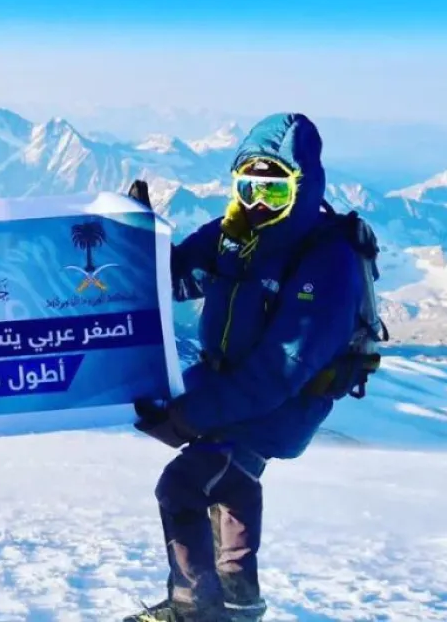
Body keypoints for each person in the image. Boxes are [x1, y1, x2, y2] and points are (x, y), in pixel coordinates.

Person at [124, 113, 365, 622]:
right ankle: (238, 600)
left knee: (183, 487)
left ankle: (195, 610)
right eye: (247, 187)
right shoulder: (234, 235)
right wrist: (136, 240)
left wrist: (189, 414)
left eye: (274, 192)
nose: (257, 203)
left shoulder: (327, 261)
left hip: (279, 406)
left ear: (301, 189)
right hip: (229, 389)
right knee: (229, 485)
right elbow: (176, 278)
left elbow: (280, 371)